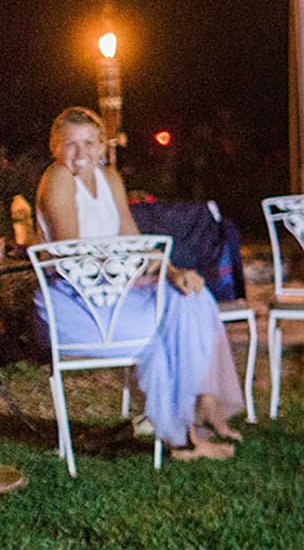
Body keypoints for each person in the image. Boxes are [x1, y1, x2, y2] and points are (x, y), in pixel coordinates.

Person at [34, 107, 243, 461]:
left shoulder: (109, 178)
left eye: (89, 143)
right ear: (55, 147)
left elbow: (133, 239)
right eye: (70, 144)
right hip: (72, 305)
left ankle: (191, 423)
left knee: (190, 294)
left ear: (102, 146)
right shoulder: (57, 176)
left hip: (111, 297)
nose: (80, 154)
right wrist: (133, 269)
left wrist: (173, 272)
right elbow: (72, 254)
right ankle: (189, 425)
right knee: (176, 315)